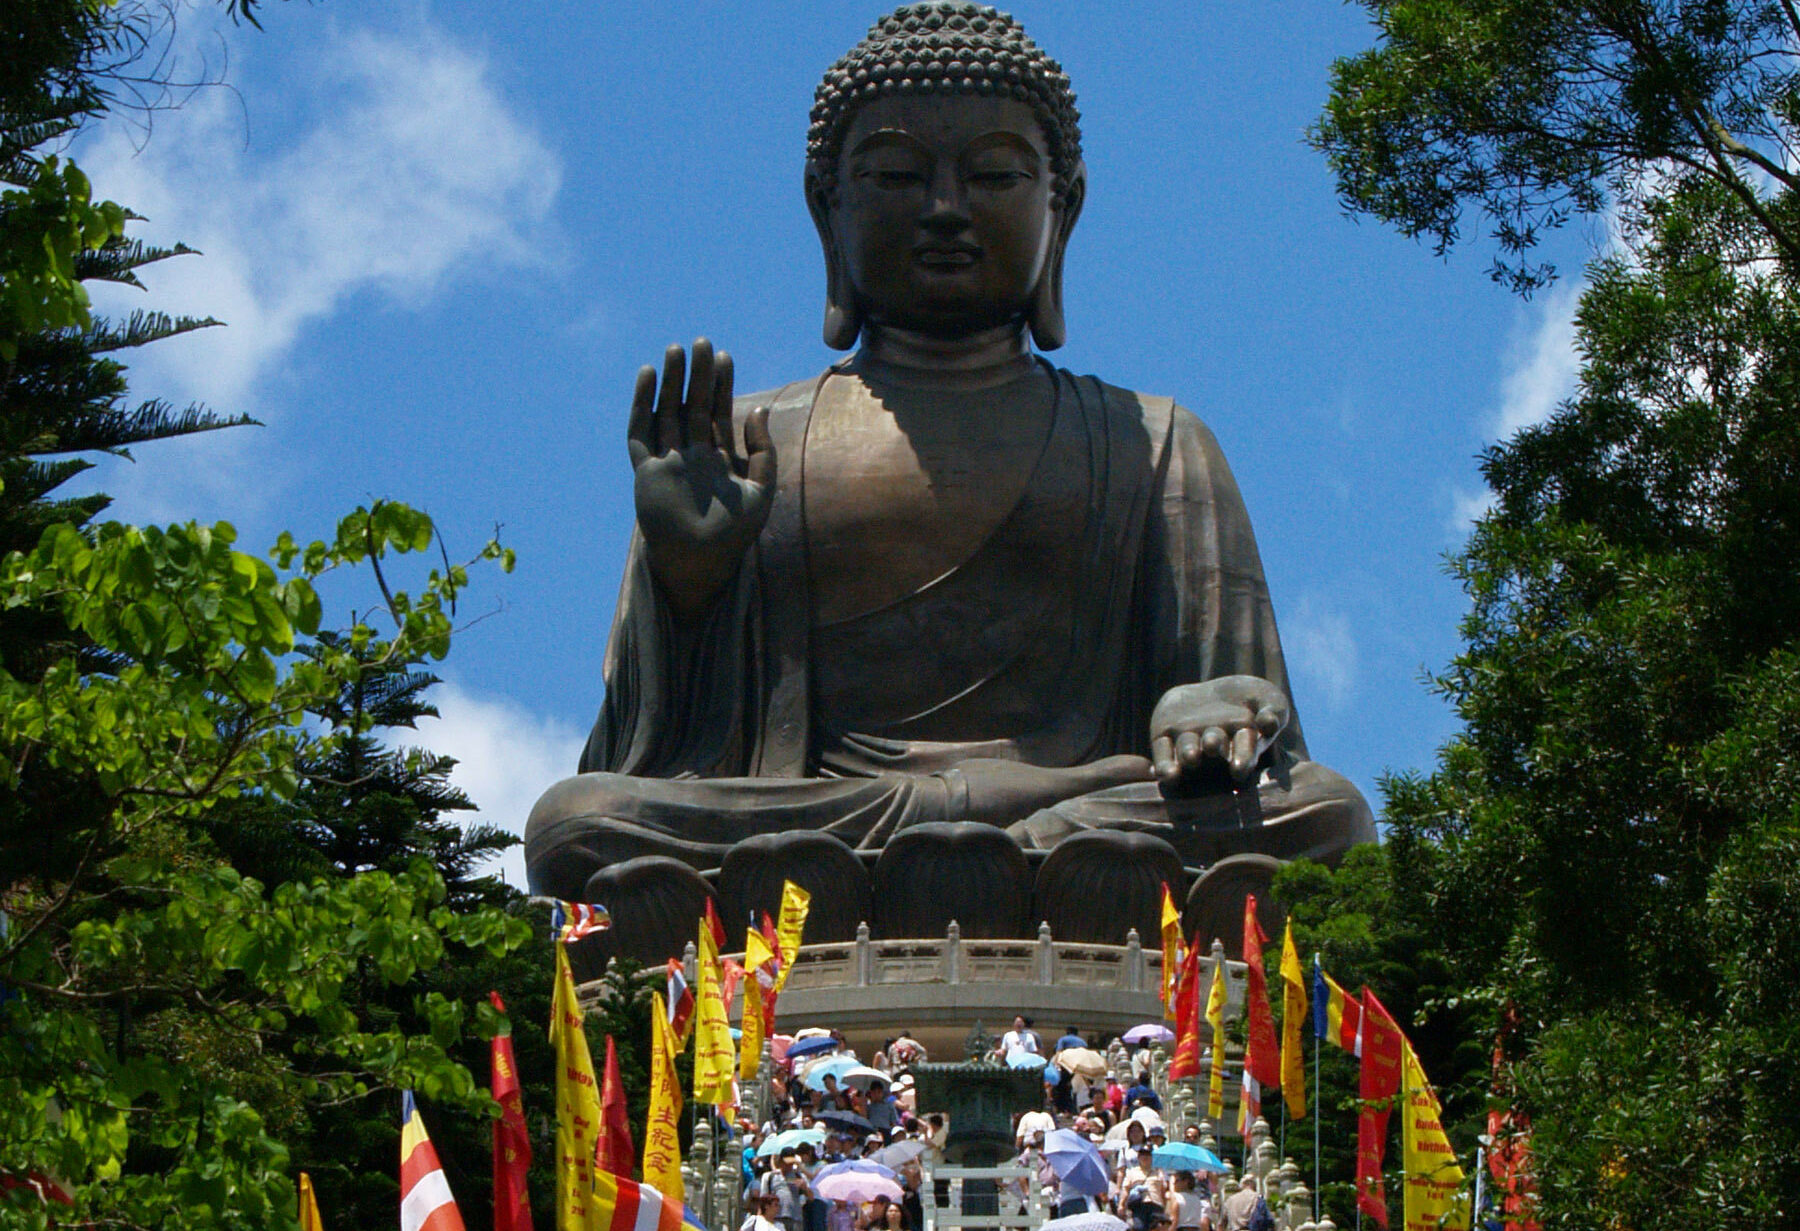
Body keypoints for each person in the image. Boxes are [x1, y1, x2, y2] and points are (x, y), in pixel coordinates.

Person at [522, 0, 1376, 963]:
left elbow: (1253, 735)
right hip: (830, 818)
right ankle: (976, 870)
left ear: (1064, 206)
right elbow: (652, 760)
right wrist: (689, 586)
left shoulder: (1154, 439)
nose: (944, 207)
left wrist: (1213, 709)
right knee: (575, 821)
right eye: (893, 175)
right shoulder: (744, 440)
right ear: (826, 210)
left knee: (1324, 815)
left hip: (1083, 808)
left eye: (995, 175)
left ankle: (985, 869)